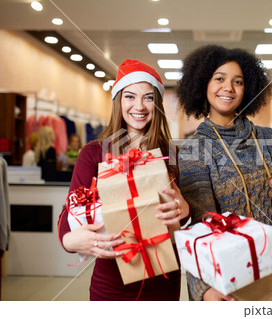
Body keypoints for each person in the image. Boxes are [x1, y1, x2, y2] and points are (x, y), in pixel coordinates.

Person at [176, 45, 272, 301]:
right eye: (219, 78)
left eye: (238, 81)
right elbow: (201, 222)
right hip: (228, 276)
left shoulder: (268, 139)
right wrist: (203, 288)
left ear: (248, 88)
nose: (228, 88)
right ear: (203, 85)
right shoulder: (193, 150)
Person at [58, 59, 190, 301]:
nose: (139, 106)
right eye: (130, 96)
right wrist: (69, 240)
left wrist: (185, 211)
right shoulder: (93, 153)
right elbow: (70, 211)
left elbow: (185, 220)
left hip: (163, 279)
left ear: (157, 104)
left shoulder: (172, 155)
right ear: (118, 101)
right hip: (111, 282)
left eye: (148, 97)